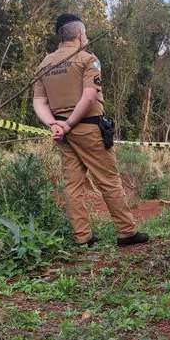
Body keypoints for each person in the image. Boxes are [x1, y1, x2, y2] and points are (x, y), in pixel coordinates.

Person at [32, 13, 149, 247]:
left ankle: (82, 237)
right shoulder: (88, 59)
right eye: (85, 33)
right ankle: (126, 232)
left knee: (73, 185)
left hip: (63, 134)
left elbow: (39, 102)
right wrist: (69, 123)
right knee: (109, 180)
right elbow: (88, 97)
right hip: (87, 129)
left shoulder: (45, 63)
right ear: (79, 34)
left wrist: (55, 125)